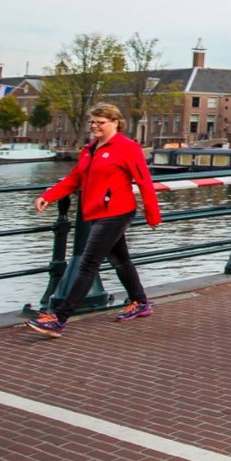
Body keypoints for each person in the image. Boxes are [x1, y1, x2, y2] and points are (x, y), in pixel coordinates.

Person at [26, 104, 161, 337]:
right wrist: (47, 196)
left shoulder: (128, 148)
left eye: (101, 122)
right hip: (95, 211)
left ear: (116, 123)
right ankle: (140, 303)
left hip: (116, 212)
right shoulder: (89, 149)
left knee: (88, 263)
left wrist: (152, 215)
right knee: (120, 259)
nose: (95, 126)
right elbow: (74, 178)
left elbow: (144, 181)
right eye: (93, 122)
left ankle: (59, 319)